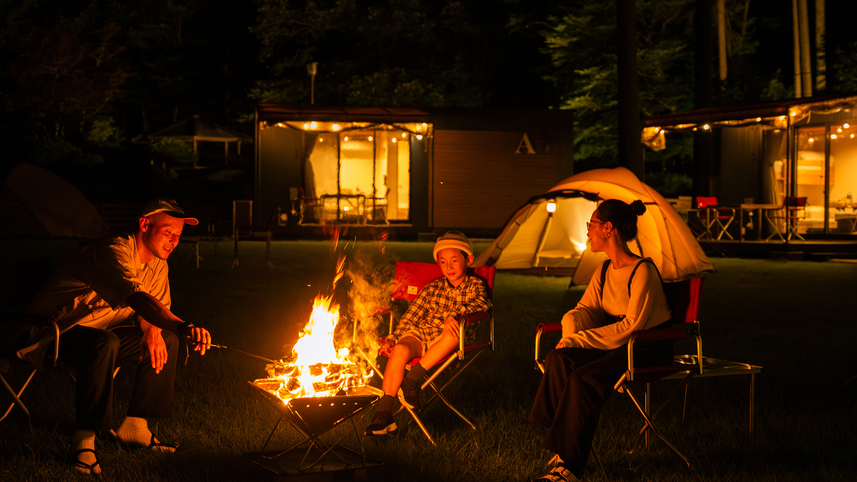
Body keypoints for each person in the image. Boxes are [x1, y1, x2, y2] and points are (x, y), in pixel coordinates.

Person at [20, 198, 212, 476]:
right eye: (168, 232)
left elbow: (156, 308)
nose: (174, 241)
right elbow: (138, 298)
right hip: (48, 334)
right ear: (145, 224)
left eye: (178, 236)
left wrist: (155, 331)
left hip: (99, 336)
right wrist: (184, 327)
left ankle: (136, 426)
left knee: (167, 340)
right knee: (106, 342)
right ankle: (84, 441)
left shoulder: (158, 264)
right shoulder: (113, 252)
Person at [529, 200, 673, 482]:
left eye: (590, 226)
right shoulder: (604, 270)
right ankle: (563, 438)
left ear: (608, 228)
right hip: (618, 344)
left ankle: (568, 467)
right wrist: (571, 332)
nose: (587, 233)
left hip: (646, 347)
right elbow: (586, 310)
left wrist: (580, 341)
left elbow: (632, 326)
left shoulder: (642, 270)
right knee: (559, 359)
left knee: (584, 378)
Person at [364, 231, 492, 436]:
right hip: (421, 333)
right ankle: (383, 415)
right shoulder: (432, 288)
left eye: (454, 260)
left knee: (453, 332)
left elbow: (483, 304)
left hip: (451, 338)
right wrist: (393, 339)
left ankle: (412, 379)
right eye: (443, 262)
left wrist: (455, 315)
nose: (448, 267)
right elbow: (411, 317)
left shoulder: (475, 285)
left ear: (468, 259)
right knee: (399, 349)